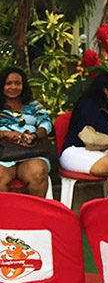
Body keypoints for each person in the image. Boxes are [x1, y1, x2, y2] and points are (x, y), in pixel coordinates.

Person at [0, 67, 52, 197]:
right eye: (8, 83)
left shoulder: (34, 106)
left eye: (18, 83)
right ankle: (6, 216)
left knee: (37, 173)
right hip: (2, 156)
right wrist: (6, 134)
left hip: (31, 153)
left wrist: (34, 135)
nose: (13, 87)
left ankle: (36, 215)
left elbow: (46, 123)